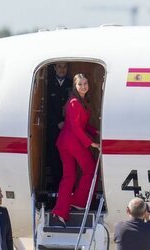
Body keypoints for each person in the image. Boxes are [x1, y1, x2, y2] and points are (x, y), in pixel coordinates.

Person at [52, 73, 99, 226]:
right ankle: (78, 201)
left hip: (66, 142)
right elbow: (76, 128)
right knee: (90, 169)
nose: (83, 86)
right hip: (72, 142)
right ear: (75, 86)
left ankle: (60, 211)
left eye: (85, 83)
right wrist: (91, 143)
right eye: (80, 84)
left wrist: (95, 131)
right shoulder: (74, 102)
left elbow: (83, 125)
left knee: (69, 177)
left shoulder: (81, 101)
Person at [47, 62, 72, 191]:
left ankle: (66, 186)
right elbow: (47, 106)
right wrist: (57, 121)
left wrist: (66, 121)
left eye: (65, 67)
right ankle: (57, 187)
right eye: (60, 67)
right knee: (54, 156)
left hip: (67, 126)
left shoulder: (71, 83)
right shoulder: (48, 84)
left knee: (66, 157)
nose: (62, 69)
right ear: (55, 68)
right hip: (53, 126)